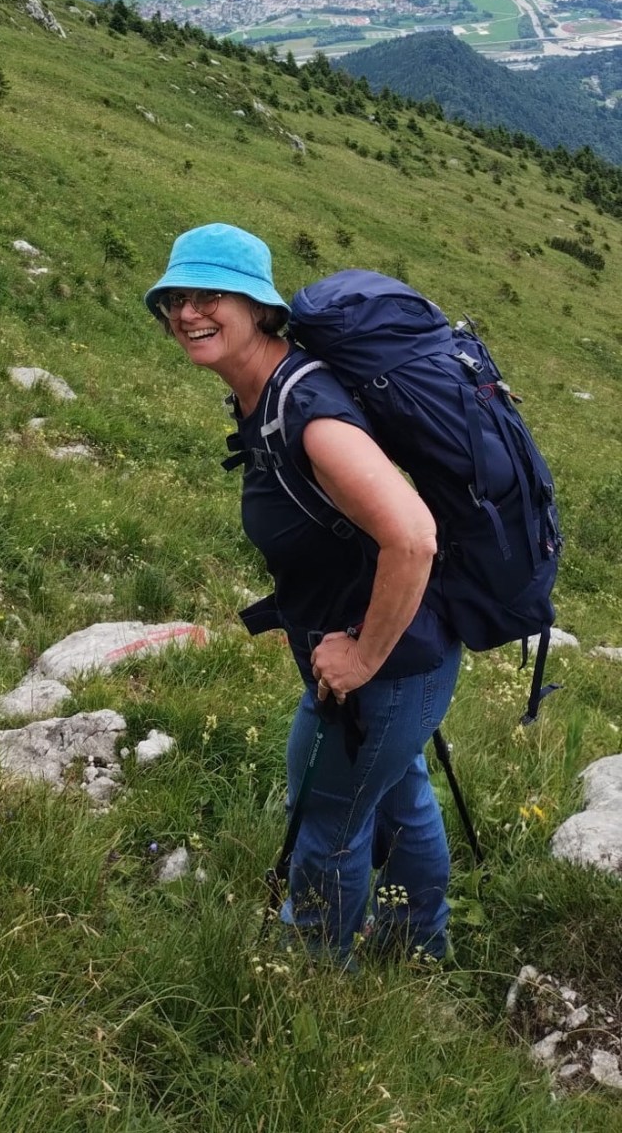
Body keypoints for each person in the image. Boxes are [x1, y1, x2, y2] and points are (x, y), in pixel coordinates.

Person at [144, 223, 461, 965]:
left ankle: (314, 971)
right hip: (406, 658)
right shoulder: (266, 396)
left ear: (258, 307)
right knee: (397, 793)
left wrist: (362, 655)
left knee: (328, 819)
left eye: (210, 295)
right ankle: (420, 943)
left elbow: (413, 537)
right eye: (177, 298)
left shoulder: (307, 412)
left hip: (388, 662)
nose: (189, 313)